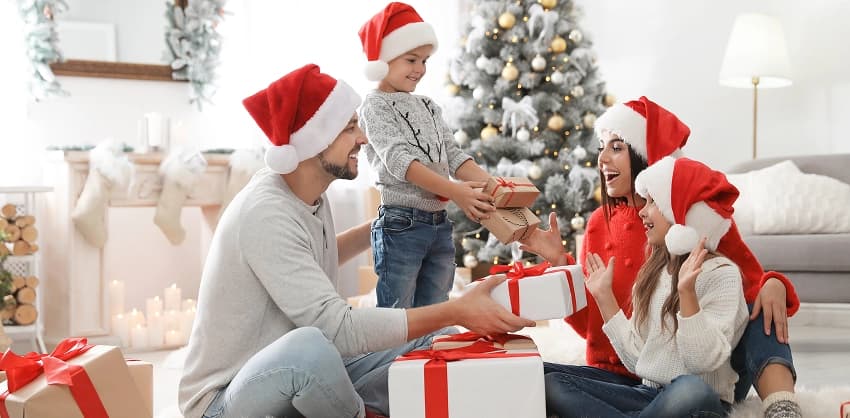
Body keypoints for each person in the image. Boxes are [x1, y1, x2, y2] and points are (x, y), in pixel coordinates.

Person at [177, 64, 534, 418]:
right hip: (225, 400)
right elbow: (337, 329)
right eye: (350, 128)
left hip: (292, 377)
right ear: (314, 140)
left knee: (435, 337)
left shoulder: (309, 193)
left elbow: (317, 253)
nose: (363, 139)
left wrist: (393, 221)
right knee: (310, 348)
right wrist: (457, 307)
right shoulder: (265, 212)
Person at [521, 97, 802, 417]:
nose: (602, 158)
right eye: (602, 147)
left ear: (644, 154)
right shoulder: (603, 224)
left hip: (696, 375)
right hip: (634, 372)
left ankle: (782, 405)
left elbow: (749, 282)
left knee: (757, 306)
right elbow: (592, 326)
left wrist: (774, 283)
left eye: (616, 147)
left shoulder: (697, 221)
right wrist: (560, 262)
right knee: (538, 376)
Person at [546, 156, 750, 416]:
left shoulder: (722, 275)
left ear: (683, 212)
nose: (642, 210)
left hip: (697, 402)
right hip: (648, 396)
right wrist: (604, 297)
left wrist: (686, 294)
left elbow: (702, 362)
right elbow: (638, 362)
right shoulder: (655, 270)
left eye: (653, 202)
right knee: (551, 380)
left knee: (690, 389)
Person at [358, 2, 496, 309]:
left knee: (436, 309)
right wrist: (455, 192)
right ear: (383, 60)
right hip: (401, 224)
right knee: (398, 315)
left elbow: (455, 156)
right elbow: (399, 162)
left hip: (439, 224)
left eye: (424, 60)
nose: (419, 69)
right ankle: (394, 358)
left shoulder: (429, 106)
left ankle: (428, 354)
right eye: (411, 59)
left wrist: (495, 186)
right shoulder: (375, 106)